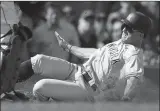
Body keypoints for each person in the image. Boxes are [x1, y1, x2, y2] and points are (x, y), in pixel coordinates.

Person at [17, 12, 152, 102]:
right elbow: (94, 53)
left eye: (128, 28)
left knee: (40, 87)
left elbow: (133, 78)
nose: (123, 29)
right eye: (124, 25)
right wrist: (68, 47)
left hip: (89, 90)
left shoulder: (133, 54)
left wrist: (126, 99)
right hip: (78, 71)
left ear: (140, 34)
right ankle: (4, 84)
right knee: (39, 60)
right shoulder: (119, 43)